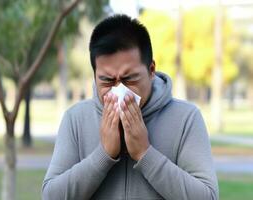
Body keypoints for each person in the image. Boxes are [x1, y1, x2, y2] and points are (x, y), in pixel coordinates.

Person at [42, 14, 219, 200]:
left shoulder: (186, 118)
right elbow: (50, 196)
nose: (120, 90)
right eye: (107, 81)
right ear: (95, 76)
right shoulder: (75, 119)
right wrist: (103, 155)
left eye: (129, 79)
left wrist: (145, 153)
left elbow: (208, 196)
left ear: (151, 71)